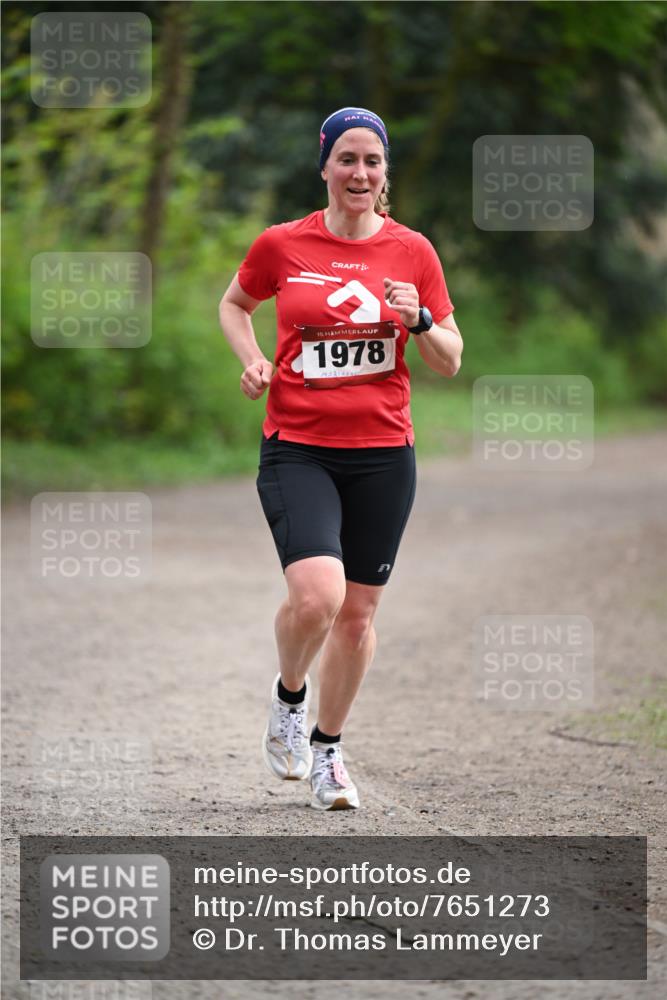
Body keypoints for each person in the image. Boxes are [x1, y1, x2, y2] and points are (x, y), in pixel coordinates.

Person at [219, 107, 463, 811]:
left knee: (356, 616)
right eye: (347, 159)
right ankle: (288, 697)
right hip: (297, 447)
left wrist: (417, 319)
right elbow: (235, 304)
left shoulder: (413, 251)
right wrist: (254, 359)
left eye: (373, 162)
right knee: (317, 598)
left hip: (385, 454)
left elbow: (449, 359)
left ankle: (328, 750)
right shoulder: (282, 244)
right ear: (324, 166)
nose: (360, 173)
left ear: (384, 175)